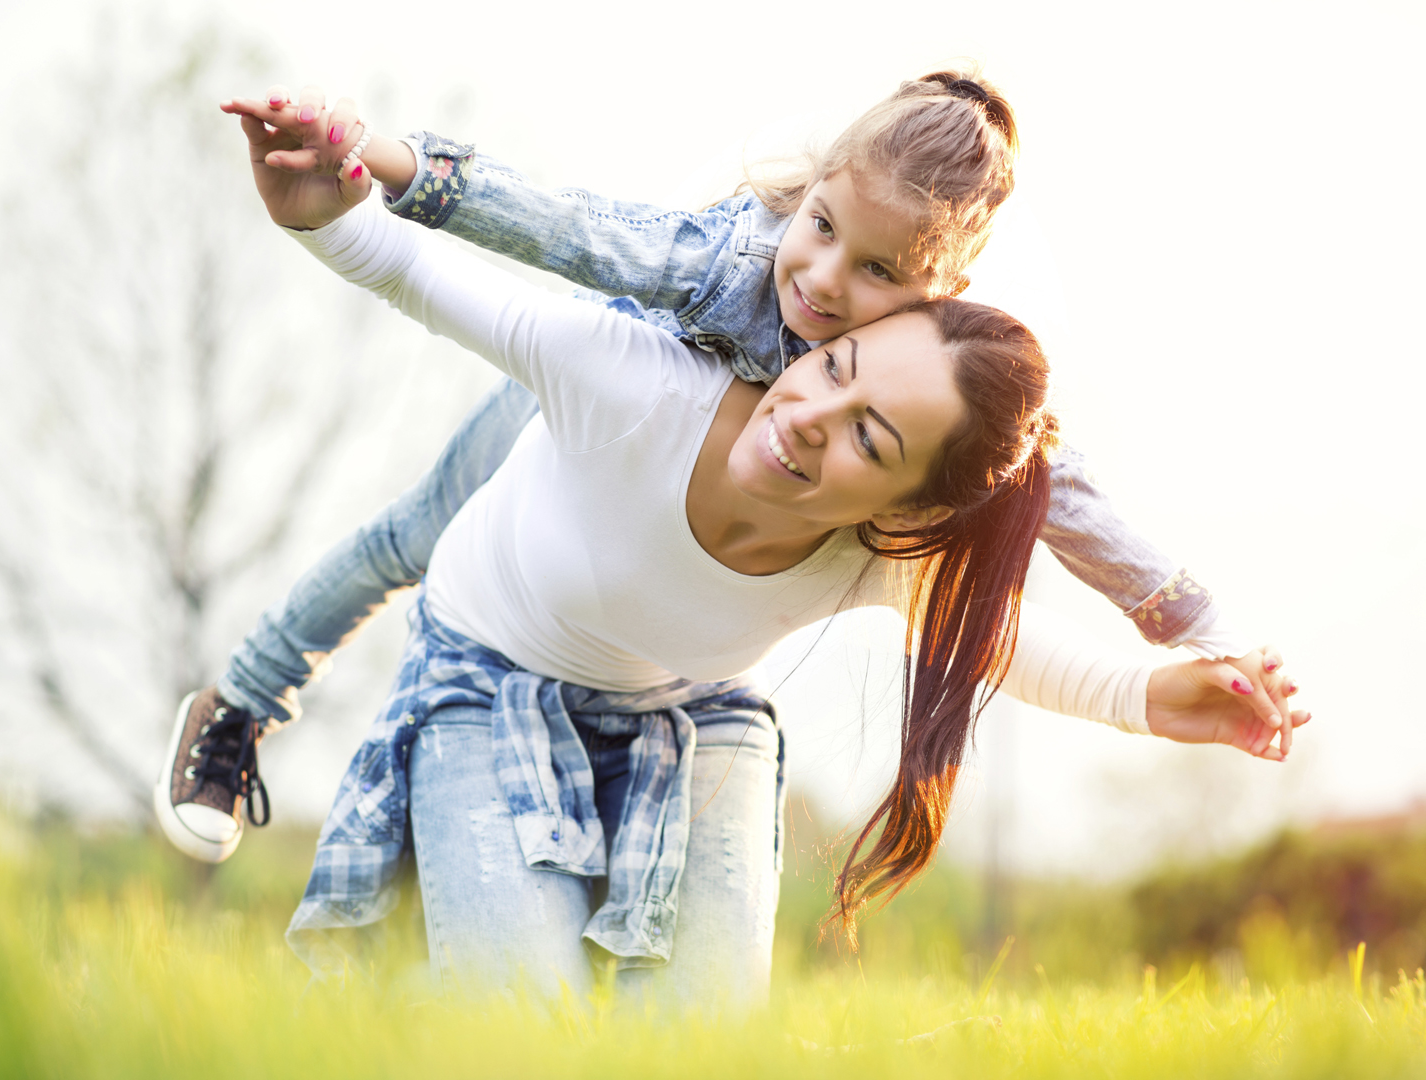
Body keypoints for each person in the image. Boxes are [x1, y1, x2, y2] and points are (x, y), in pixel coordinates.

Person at [155, 89, 1304, 1011]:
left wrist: (1183, 662)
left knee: (693, 1036)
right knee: (410, 534)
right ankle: (244, 702)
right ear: (804, 201)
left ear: (937, 289)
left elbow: (1013, 587)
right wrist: (367, 172)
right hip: (581, 440)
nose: (821, 290)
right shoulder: (699, 281)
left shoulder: (927, 429)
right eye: (820, 238)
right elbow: (546, 233)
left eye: (877, 283)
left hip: (682, 683)